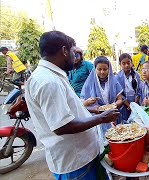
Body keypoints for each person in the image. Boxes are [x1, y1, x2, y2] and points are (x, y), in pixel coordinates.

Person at [24, 31, 120, 180]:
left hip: (85, 157)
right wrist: (101, 118)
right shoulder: (48, 81)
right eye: (73, 52)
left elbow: (64, 109)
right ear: (64, 51)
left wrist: (90, 110)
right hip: (75, 163)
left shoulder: (51, 76)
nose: (74, 57)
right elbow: (62, 125)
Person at [81, 56, 124, 128]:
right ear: (95, 69)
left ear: (109, 69)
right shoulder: (89, 84)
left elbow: (120, 100)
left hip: (112, 117)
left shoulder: (114, 82)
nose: (102, 72)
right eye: (99, 69)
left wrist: (112, 106)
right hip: (96, 121)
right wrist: (88, 102)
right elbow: (82, 105)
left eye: (105, 69)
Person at [115, 53, 141, 120]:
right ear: (120, 64)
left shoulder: (136, 75)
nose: (126, 65)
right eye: (123, 63)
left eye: (128, 63)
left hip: (136, 102)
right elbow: (119, 93)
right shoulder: (117, 77)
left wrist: (136, 102)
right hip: (124, 104)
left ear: (131, 63)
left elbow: (139, 89)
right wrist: (128, 105)